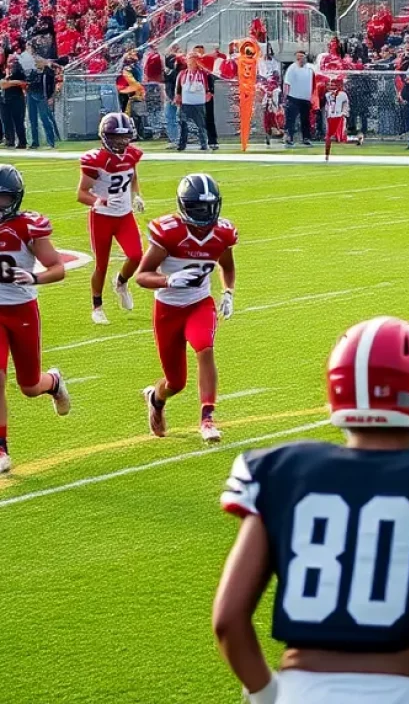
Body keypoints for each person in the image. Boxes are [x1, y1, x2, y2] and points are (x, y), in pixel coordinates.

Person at [214, 316, 409, 704]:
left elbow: (228, 619)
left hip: (301, 690)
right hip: (399, 691)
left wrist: (266, 694)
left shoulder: (279, 470)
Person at [136, 174, 236, 444]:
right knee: (175, 383)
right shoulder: (169, 232)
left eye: (209, 206)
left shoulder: (222, 233)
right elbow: (142, 275)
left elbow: (227, 265)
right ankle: (155, 399)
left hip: (199, 303)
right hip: (167, 309)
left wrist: (227, 292)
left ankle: (207, 419)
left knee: (205, 347)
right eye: (198, 208)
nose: (205, 214)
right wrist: (168, 280)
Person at [0, 164, 71, 475]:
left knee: (29, 386)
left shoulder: (28, 226)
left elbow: (57, 267)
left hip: (22, 310)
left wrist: (33, 277)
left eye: (3, 198)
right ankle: (1, 448)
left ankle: (53, 382)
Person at [77, 113, 145, 326]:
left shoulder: (132, 155)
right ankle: (97, 306)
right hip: (102, 219)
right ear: (105, 136)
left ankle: (121, 282)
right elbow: (81, 193)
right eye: (116, 137)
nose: (122, 142)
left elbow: (133, 177)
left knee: (136, 256)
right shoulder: (95, 160)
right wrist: (99, 202)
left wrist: (137, 195)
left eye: (125, 137)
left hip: (124, 215)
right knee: (101, 266)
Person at [175, 51, 211, 152]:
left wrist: (209, 93)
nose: (191, 62)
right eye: (189, 59)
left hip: (199, 103)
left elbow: (210, 85)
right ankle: (182, 144)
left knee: (201, 124)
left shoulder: (204, 73)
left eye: (194, 59)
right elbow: (178, 87)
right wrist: (177, 96)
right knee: (183, 124)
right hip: (186, 103)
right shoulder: (182, 74)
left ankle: (204, 144)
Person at [323, 76, 363, 160]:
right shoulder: (327, 95)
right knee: (328, 137)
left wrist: (344, 114)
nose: (331, 86)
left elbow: (346, 106)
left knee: (340, 139)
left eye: (333, 85)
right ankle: (327, 155)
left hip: (339, 117)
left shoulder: (343, 95)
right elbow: (328, 106)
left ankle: (357, 139)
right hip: (330, 118)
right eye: (331, 85)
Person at [283, 50, 315, 148]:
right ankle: (289, 137)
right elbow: (286, 83)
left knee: (305, 119)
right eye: (298, 57)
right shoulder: (292, 68)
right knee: (291, 119)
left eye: (302, 57)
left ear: (305, 57)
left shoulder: (311, 67)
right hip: (293, 97)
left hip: (306, 98)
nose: (300, 59)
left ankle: (306, 138)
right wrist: (285, 97)